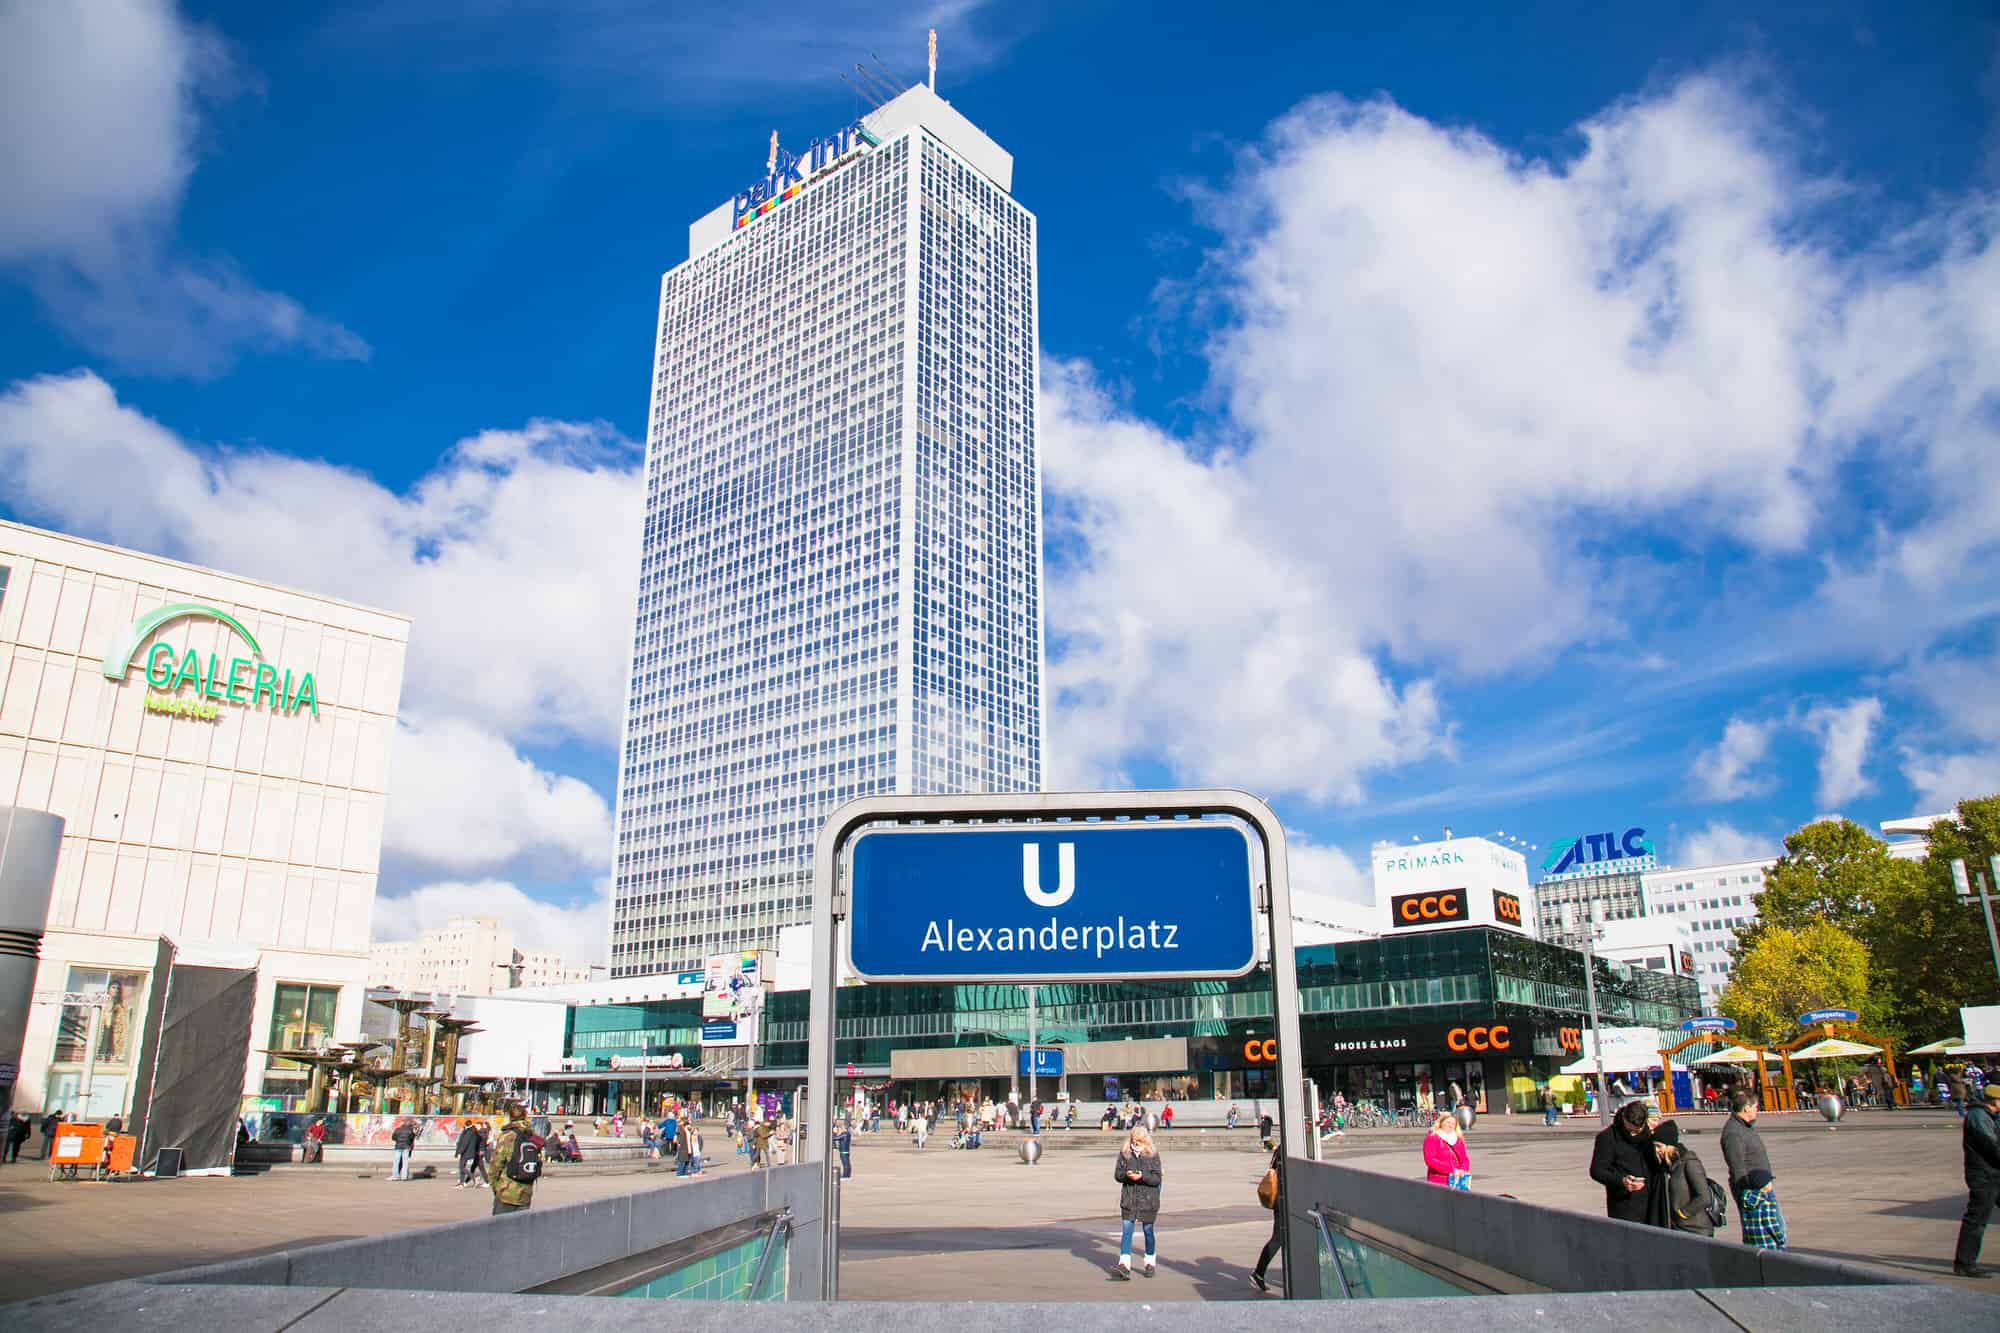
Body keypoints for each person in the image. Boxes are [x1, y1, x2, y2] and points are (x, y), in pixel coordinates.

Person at [1720, 1089, 1780, 1244]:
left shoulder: (1745, 1127)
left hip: (1762, 1186)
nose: (1757, 1110)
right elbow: (1737, 1167)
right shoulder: (1733, 1133)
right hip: (1754, 1192)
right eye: (1756, 1107)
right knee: (1762, 1234)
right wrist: (1749, 1197)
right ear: (1746, 1108)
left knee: (1775, 1228)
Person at [1953, 1085, 2000, 1277]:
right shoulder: (1978, 1117)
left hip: (1994, 1172)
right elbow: (1991, 1145)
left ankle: (1965, 1263)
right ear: (1994, 1100)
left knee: (1977, 1219)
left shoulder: (1991, 1116)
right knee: (1977, 1219)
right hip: (1983, 1175)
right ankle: (1965, 1264)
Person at [1110, 1124, 1163, 1279]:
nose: (1136, 1143)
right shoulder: (1125, 1153)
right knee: (1127, 1230)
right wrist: (1127, 1175)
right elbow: (1117, 1175)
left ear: (1145, 1140)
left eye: (1139, 1140)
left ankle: (1150, 1262)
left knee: (1148, 1231)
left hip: (1148, 1199)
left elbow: (1157, 1178)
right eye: (1134, 1140)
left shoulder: (1152, 1155)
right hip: (1129, 1198)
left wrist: (1142, 1176)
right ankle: (1124, 1264)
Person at [1589, 1101, 1655, 1222]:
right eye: (1630, 1130)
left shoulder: (1649, 1134)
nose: (1633, 1134)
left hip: (1652, 1202)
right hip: (1624, 1205)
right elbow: (1597, 1170)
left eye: (1637, 1131)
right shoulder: (1608, 1137)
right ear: (1624, 1118)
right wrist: (1621, 1181)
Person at [1651, 1120, 1716, 1236]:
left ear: (1670, 1145)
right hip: (1677, 1228)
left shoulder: (1689, 1163)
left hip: (1696, 1230)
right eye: (1655, 1146)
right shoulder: (1666, 1167)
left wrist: (1682, 1214)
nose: (1656, 1150)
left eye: (1659, 1146)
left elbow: (1704, 1197)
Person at [489, 1100, 538, 1216]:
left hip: (506, 1192)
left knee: (500, 1229)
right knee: (520, 1229)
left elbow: (495, 1165)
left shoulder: (507, 1136)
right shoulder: (531, 1135)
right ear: (525, 1116)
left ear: (510, 1116)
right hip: (525, 1193)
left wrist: (496, 1187)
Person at [1250, 1142, 1284, 1293]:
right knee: (1278, 1238)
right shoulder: (1289, 1149)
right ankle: (1259, 1273)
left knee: (1281, 1238)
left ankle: (1260, 1273)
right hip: (1284, 1201)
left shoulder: (1280, 1149)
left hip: (1280, 1200)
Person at [1739, 1169, 1787, 1249]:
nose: (1771, 1184)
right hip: (1768, 1245)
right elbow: (1771, 1224)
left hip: (1751, 1244)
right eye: (1770, 1182)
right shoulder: (1766, 1204)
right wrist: (1781, 1239)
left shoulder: (1745, 1202)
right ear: (1765, 1186)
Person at [1423, 1111, 1471, 1188]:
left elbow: (1464, 1158)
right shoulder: (1432, 1138)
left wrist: (1463, 1169)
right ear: (1441, 1122)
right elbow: (1430, 1160)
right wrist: (1451, 1170)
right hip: (1438, 1181)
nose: (1450, 1125)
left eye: (1453, 1123)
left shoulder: (1458, 1139)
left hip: (1458, 1180)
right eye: (1448, 1122)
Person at [454, 1119, 483, 1187]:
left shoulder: (469, 1132)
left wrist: (459, 1152)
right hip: (468, 1152)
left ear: (466, 1125)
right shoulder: (472, 1131)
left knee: (462, 1167)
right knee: (462, 1167)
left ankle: (474, 1178)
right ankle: (461, 1182)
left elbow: (464, 1143)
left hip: (466, 1152)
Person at [390, 1116, 417, 1182]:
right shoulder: (410, 1131)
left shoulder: (397, 1129)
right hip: (406, 1147)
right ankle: (404, 1177)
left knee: (396, 1162)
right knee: (405, 1162)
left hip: (398, 1147)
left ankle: (395, 1176)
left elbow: (393, 1138)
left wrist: (398, 1140)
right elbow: (412, 1138)